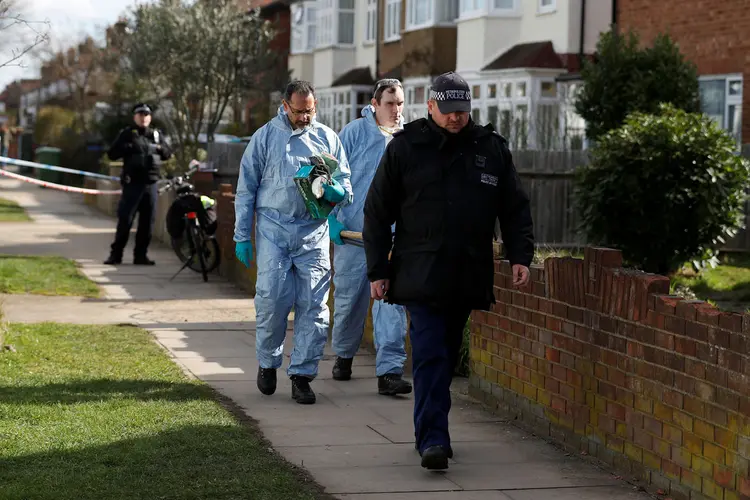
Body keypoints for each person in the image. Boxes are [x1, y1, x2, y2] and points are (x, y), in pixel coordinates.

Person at [363, 71, 534, 470]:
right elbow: (376, 211)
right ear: (431, 106)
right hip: (419, 273)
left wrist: (520, 255)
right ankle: (433, 440)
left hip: (466, 273)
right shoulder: (407, 148)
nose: (456, 118)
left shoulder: (490, 148)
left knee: (446, 349)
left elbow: (513, 207)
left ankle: (433, 428)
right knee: (429, 354)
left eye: (462, 110)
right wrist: (377, 269)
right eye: (448, 111)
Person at [233, 80, 353, 405]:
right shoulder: (265, 138)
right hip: (273, 229)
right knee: (272, 301)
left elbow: (345, 183)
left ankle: (302, 375)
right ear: (285, 105)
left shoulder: (327, 138)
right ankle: (268, 361)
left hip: (312, 233)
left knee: (314, 307)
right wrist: (242, 236)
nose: (304, 117)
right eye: (298, 111)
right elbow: (245, 190)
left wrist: (336, 194)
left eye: (309, 111)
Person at [328, 78, 412, 396]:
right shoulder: (352, 134)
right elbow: (331, 180)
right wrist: (332, 220)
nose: (396, 109)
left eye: (401, 103)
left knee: (390, 303)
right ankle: (344, 355)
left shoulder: (407, 140)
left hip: (391, 240)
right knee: (350, 302)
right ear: (374, 104)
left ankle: (389, 372)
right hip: (353, 236)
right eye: (390, 103)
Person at [104, 103, 172, 265]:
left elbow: (168, 153)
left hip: (151, 184)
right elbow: (112, 154)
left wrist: (160, 148)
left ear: (150, 117)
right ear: (135, 117)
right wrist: (128, 147)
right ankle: (116, 255)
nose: (144, 117)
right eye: (140, 114)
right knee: (125, 220)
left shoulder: (156, 135)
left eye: (146, 114)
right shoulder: (127, 134)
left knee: (147, 223)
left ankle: (141, 255)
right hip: (132, 184)